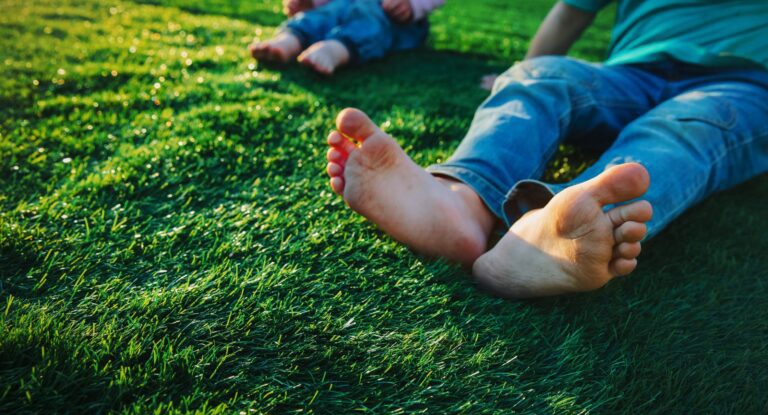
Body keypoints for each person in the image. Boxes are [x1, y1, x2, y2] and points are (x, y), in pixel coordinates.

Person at [323, 0, 768, 298]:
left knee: (681, 131)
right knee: (543, 79)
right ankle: (461, 203)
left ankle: (548, 227)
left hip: (742, 83)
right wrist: (528, 66)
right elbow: (568, 14)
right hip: (630, 74)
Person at [249, 0, 444, 75]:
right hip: (346, 3)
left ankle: (336, 49)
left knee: (370, 24)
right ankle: (290, 40)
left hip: (393, 18)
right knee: (324, 14)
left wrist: (412, 4)